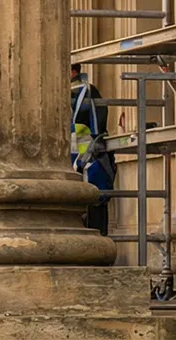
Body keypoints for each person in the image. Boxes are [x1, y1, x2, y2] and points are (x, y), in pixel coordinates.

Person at [70, 63, 114, 235]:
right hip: (85, 158)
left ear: (73, 71)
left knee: (93, 201)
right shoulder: (82, 90)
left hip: (87, 157)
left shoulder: (82, 91)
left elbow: (96, 126)